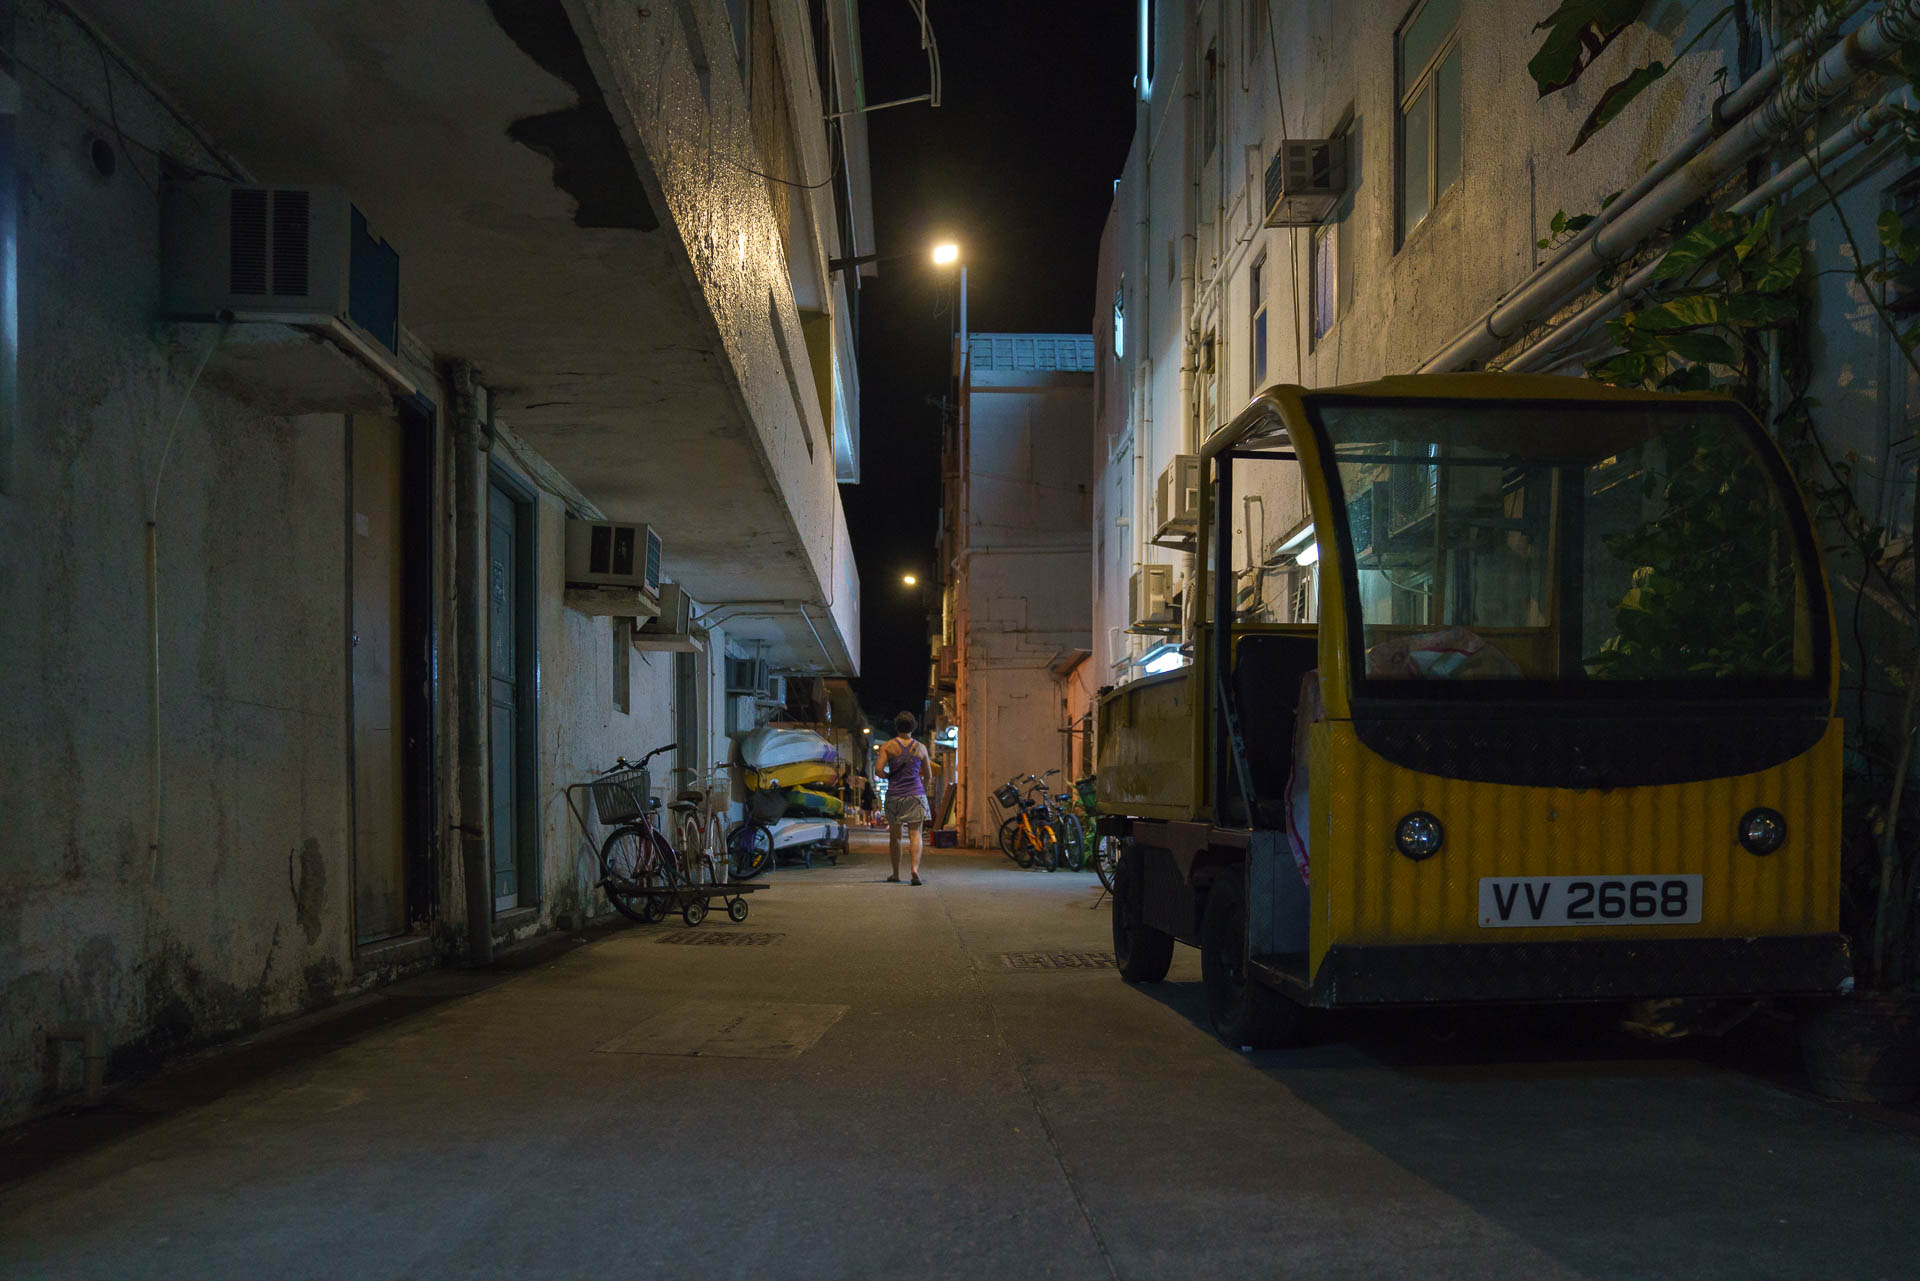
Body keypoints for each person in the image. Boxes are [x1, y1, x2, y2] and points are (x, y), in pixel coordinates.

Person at [873, 712, 932, 884]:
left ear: (896, 726)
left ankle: (896, 874)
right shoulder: (921, 748)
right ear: (913, 727)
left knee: (895, 836)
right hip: (916, 794)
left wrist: (889, 777)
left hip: (895, 795)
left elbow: (878, 770)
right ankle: (914, 869)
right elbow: (928, 775)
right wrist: (923, 788)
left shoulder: (888, 746)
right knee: (916, 834)